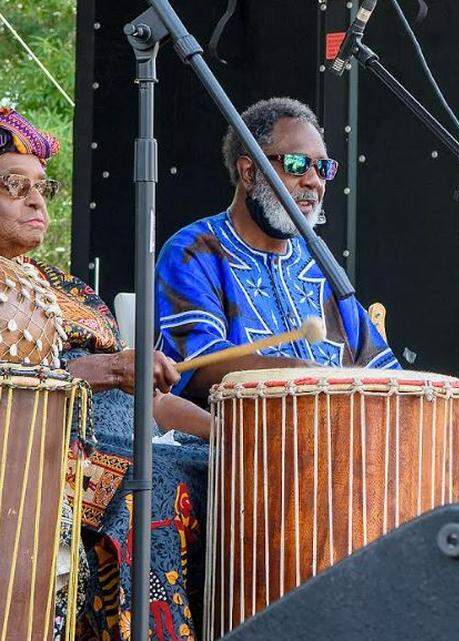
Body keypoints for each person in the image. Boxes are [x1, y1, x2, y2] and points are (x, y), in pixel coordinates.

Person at [0, 106, 211, 641]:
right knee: (153, 482)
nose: (34, 201)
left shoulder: (70, 289)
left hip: (128, 437)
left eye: (42, 189)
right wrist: (102, 369)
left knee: (218, 468)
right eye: (13, 185)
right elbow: (25, 387)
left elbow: (152, 400)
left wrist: (232, 438)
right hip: (45, 454)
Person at [155, 97, 398, 404]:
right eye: (297, 165)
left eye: (323, 168)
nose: (313, 181)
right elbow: (195, 369)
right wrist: (300, 375)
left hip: (336, 445)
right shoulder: (194, 252)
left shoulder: (317, 263)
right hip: (220, 447)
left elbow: (380, 369)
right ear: (249, 172)